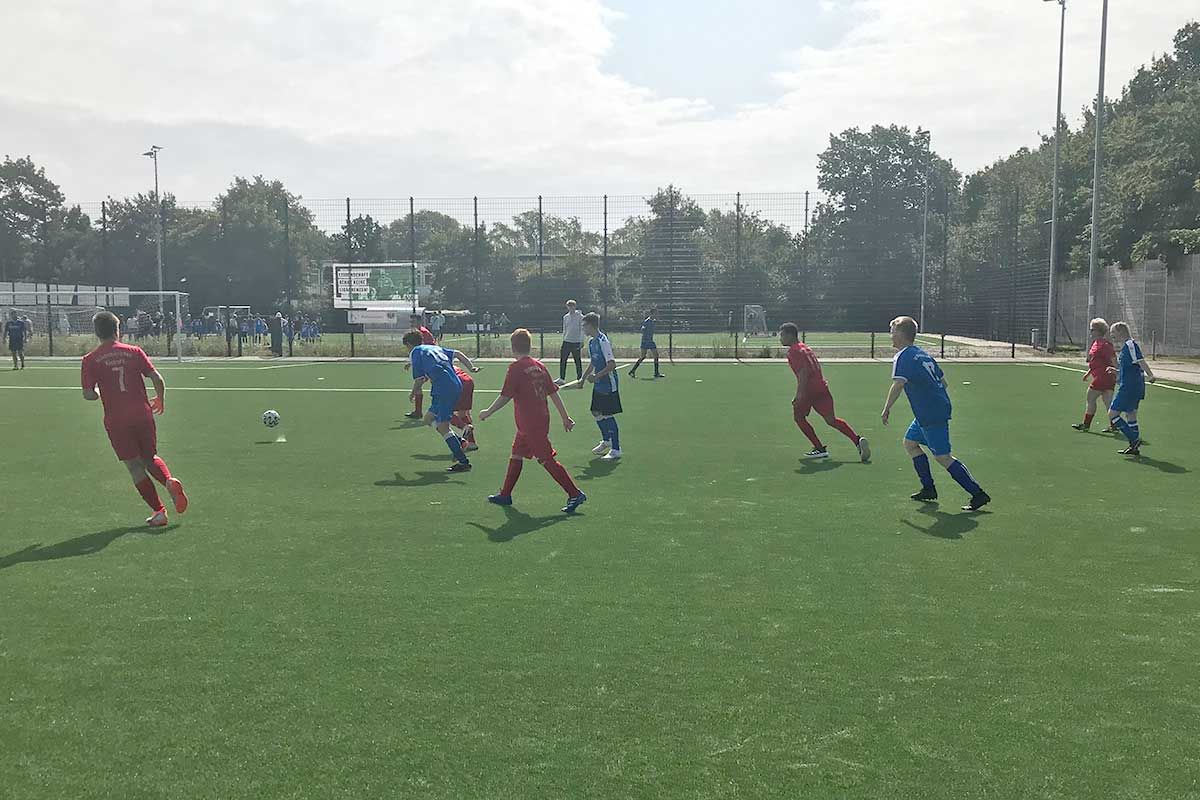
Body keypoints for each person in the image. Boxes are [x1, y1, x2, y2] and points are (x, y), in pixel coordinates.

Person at [80, 311, 189, 527]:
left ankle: (159, 512)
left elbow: (88, 394)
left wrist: (102, 393)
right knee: (150, 456)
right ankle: (168, 481)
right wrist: (160, 399)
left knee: (134, 466)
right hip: (142, 414)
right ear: (117, 330)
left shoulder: (90, 359)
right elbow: (156, 377)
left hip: (117, 420)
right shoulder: (134, 351)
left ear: (97, 333)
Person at [881, 315, 991, 512]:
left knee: (942, 457)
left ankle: (978, 494)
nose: (890, 336)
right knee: (910, 443)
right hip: (930, 410)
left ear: (901, 334)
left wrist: (887, 408)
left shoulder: (903, 356)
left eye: (892, 332)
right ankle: (928, 489)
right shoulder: (922, 354)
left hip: (930, 412)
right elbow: (944, 382)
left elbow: (899, 384)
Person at [479, 328, 586, 513]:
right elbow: (553, 393)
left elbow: (505, 396)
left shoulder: (515, 368)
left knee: (546, 459)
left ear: (513, 348)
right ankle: (505, 494)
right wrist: (564, 417)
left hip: (531, 423)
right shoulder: (539, 366)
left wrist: (488, 412)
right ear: (529, 346)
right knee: (516, 454)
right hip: (537, 419)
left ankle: (574, 493)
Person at [780, 323, 870, 462]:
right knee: (831, 420)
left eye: (782, 335)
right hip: (822, 388)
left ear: (790, 335)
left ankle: (819, 448)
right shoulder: (805, 348)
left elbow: (803, 373)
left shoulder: (793, 351)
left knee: (799, 418)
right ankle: (857, 440)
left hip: (808, 391)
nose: (780, 338)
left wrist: (799, 395)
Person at [403, 330, 471, 472]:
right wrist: (471, 366)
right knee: (428, 419)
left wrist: (413, 393)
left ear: (409, 344)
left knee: (442, 427)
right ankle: (460, 441)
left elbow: (420, 379)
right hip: (453, 384)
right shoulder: (434, 347)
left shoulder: (415, 352)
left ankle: (463, 461)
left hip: (443, 388)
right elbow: (457, 354)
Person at [569, 312, 622, 461]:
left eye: (584, 326)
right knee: (596, 412)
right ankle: (606, 441)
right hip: (599, 383)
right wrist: (583, 378)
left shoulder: (603, 341)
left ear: (591, 326)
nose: (583, 329)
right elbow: (593, 362)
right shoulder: (592, 342)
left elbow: (611, 364)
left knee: (607, 414)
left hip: (608, 384)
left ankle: (616, 449)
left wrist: (596, 376)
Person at [1107, 321, 1156, 456]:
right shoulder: (1125, 347)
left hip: (1129, 387)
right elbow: (1130, 368)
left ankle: (1134, 439)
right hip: (1132, 386)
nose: (1112, 336)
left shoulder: (1130, 345)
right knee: (1131, 414)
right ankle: (1134, 448)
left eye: (1113, 333)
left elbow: (1140, 361)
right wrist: (1116, 371)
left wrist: (1150, 375)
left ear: (1120, 331)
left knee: (1112, 414)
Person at [1072, 318, 1118, 433]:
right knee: (1108, 402)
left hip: (1103, 377)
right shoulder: (1096, 344)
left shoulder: (1105, 345)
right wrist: (1088, 373)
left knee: (1090, 398)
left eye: (1092, 330)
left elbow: (1113, 360)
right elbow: (1095, 361)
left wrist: (1118, 373)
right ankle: (1114, 425)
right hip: (1104, 377)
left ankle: (1086, 424)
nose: (1090, 332)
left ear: (1098, 331)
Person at [404, 316, 438, 419]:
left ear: (419, 321)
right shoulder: (414, 334)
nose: (411, 323)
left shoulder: (424, 333)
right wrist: (411, 362)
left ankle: (433, 411)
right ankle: (418, 411)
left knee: (421, 383)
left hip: (430, 365)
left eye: (413, 321)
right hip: (425, 365)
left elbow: (431, 348)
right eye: (410, 321)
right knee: (419, 385)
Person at [628, 306, 664, 379]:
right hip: (646, 341)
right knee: (644, 356)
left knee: (655, 355)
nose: (657, 315)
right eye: (655, 313)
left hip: (650, 341)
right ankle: (632, 371)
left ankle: (655, 373)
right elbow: (643, 328)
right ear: (652, 313)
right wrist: (643, 329)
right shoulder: (647, 321)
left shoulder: (653, 321)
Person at [558, 300, 585, 385]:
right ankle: (562, 378)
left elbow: (582, 329)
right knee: (563, 360)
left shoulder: (580, 317)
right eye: (569, 306)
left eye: (572, 306)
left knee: (577, 360)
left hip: (576, 342)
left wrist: (581, 341)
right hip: (566, 341)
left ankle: (579, 377)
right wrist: (564, 338)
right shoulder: (565, 317)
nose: (571, 308)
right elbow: (565, 329)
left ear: (575, 306)